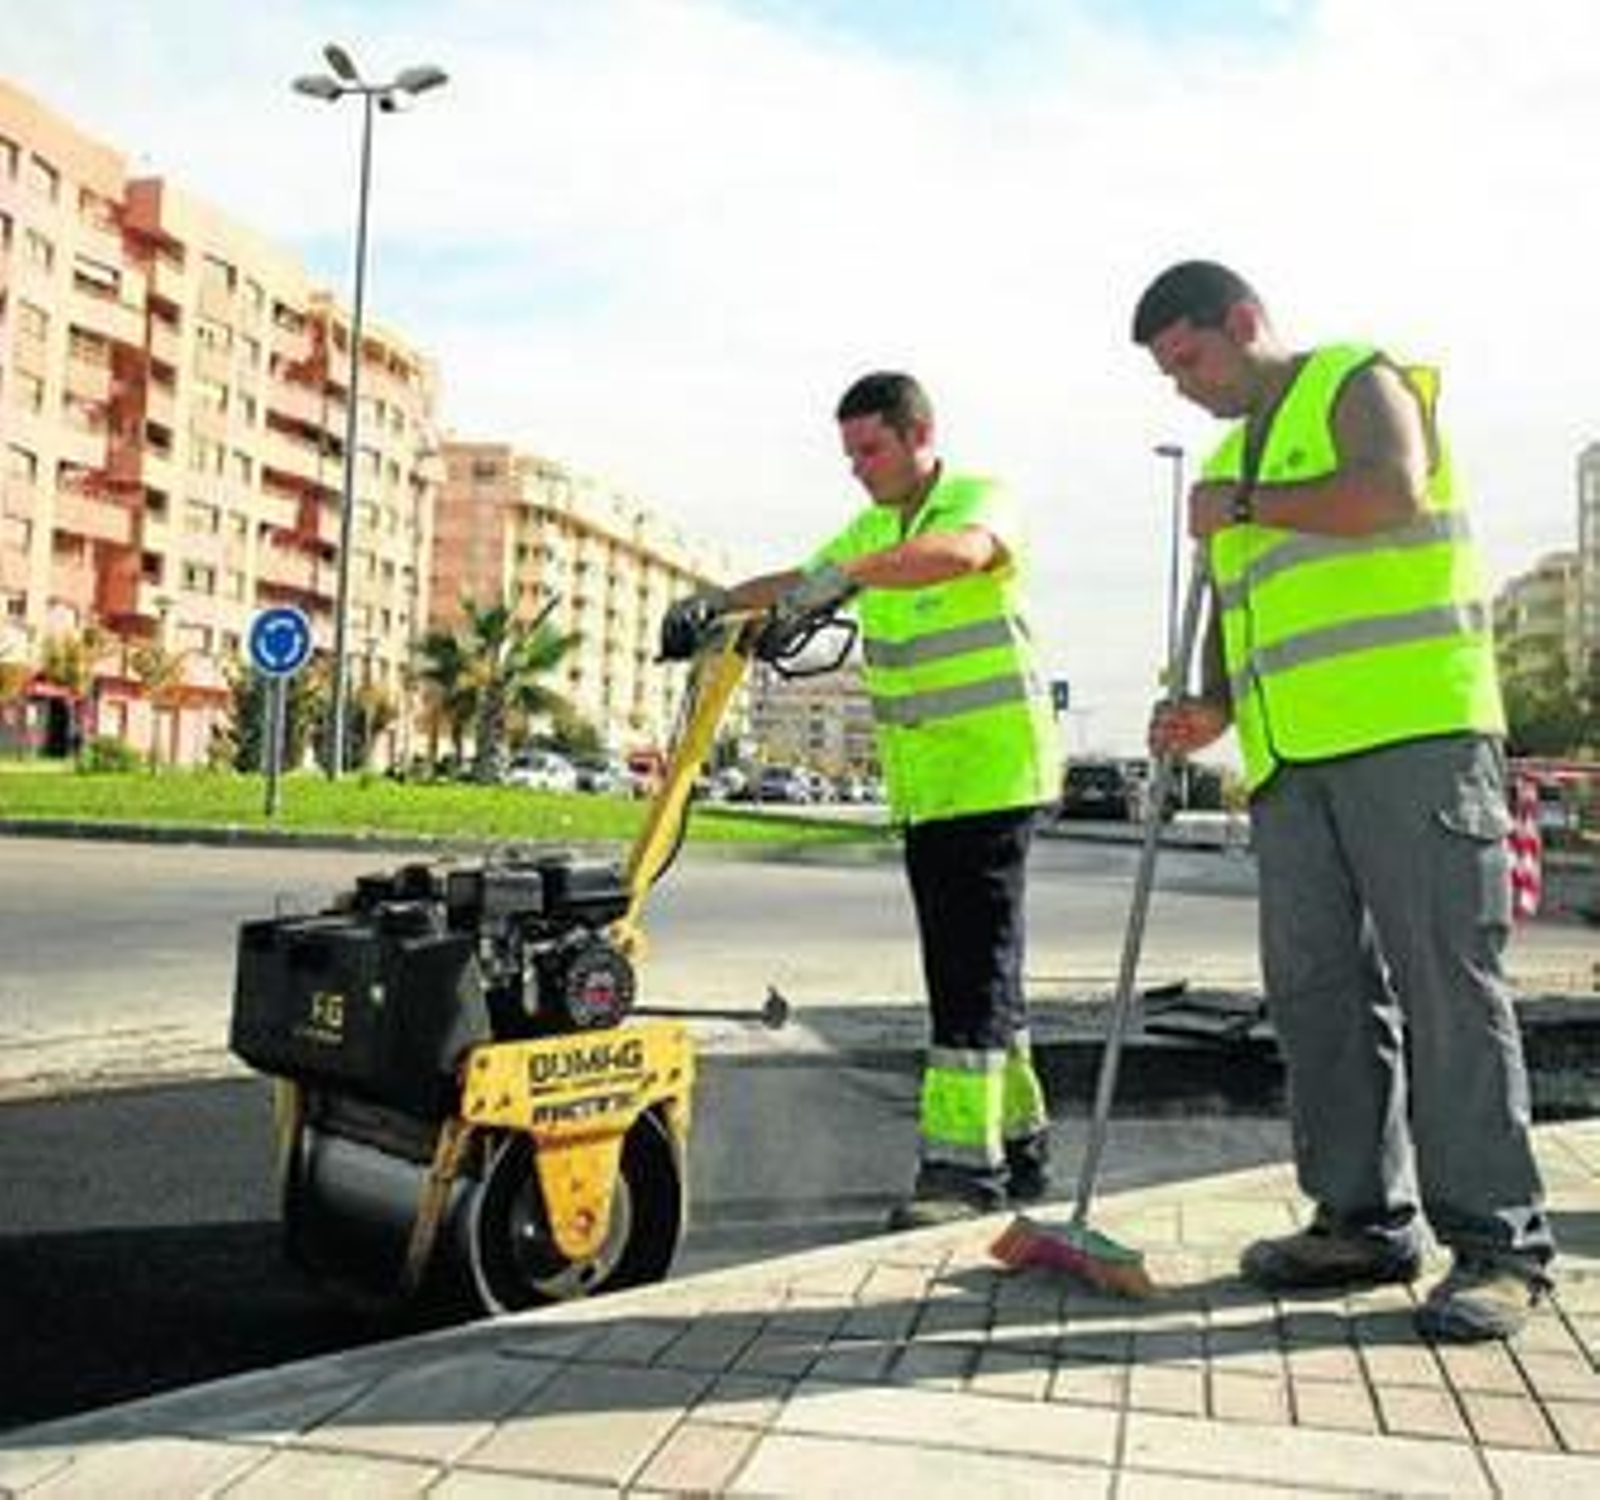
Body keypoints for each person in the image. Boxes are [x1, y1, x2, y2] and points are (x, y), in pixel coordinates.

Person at [1132, 260, 1556, 1342]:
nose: (1182, 385)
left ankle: (1500, 1247)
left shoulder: (1355, 380)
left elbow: (1388, 491)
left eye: (1189, 357)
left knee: (1446, 988)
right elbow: (1244, 601)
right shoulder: (1231, 462)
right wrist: (1211, 707)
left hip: (1413, 734)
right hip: (1290, 763)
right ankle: (1359, 1222)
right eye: (1164, 372)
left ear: (1241, 322)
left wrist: (1240, 505)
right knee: (1317, 992)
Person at [663, 372, 1062, 1228]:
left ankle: (963, 1176)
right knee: (985, 968)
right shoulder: (876, 526)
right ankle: (1022, 1148)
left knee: (967, 973)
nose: (857, 468)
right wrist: (714, 601)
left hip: (992, 774)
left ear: (920, 433)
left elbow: (957, 554)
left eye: (869, 449)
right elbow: (807, 574)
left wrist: (839, 579)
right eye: (848, 454)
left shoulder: (977, 497)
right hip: (932, 787)